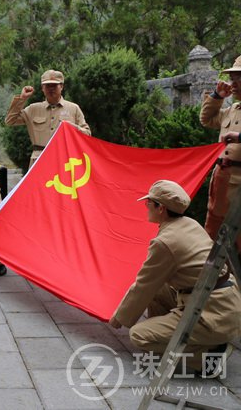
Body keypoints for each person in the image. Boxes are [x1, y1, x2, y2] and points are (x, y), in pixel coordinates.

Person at [109, 180, 241, 375]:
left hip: (214, 313)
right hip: (224, 302)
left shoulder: (165, 241)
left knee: (139, 336)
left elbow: (144, 284)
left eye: (148, 203)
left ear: (160, 208)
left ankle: (207, 356)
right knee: (159, 289)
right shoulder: (189, 224)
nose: (146, 207)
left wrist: (119, 318)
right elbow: (152, 285)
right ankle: (175, 333)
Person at [5, 69, 91, 167]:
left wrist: (72, 128)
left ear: (61, 86)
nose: (51, 89)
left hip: (65, 160)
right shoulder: (33, 109)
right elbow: (10, 121)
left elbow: (87, 135)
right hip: (39, 161)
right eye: (47, 85)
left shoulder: (73, 108)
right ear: (42, 88)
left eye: (54, 85)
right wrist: (22, 98)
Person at [200, 55, 241, 246]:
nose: (233, 83)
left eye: (238, 78)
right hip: (221, 181)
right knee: (213, 233)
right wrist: (217, 97)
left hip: (239, 184)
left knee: (237, 237)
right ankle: (218, 275)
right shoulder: (232, 109)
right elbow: (206, 120)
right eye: (232, 78)